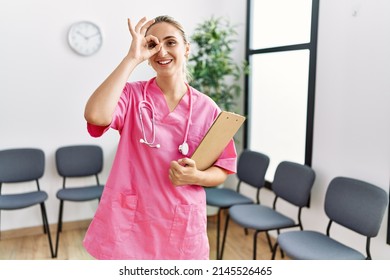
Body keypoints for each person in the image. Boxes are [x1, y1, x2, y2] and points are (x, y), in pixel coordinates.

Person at [82, 15, 238, 260]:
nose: (162, 51)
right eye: (153, 44)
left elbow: (224, 168)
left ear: (186, 49)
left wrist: (197, 176)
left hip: (181, 222)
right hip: (131, 222)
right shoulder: (132, 96)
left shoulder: (208, 109)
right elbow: (95, 115)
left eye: (171, 42)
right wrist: (131, 58)